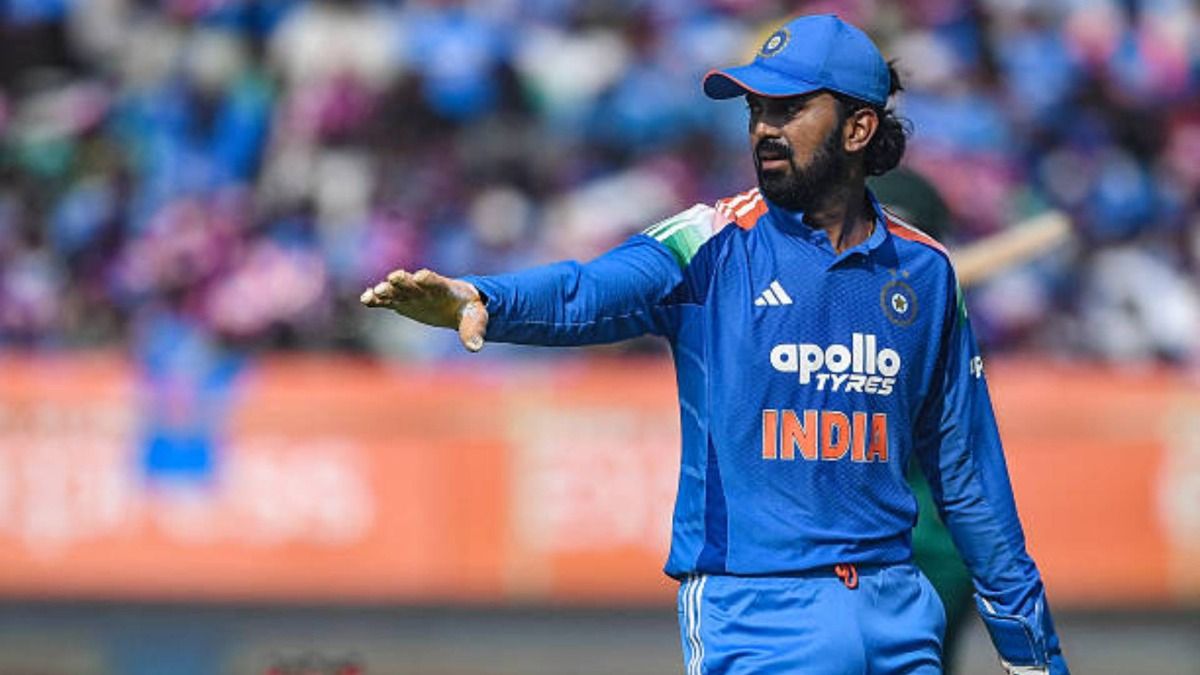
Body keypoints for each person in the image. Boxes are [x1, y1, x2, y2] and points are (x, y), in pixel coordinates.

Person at [361, 14, 1069, 675]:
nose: (764, 127)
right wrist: (483, 298)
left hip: (898, 615)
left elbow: (967, 471)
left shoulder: (924, 272)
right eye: (756, 110)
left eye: (789, 110)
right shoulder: (709, 241)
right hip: (757, 614)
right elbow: (588, 289)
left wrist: (1030, 649)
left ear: (858, 128)